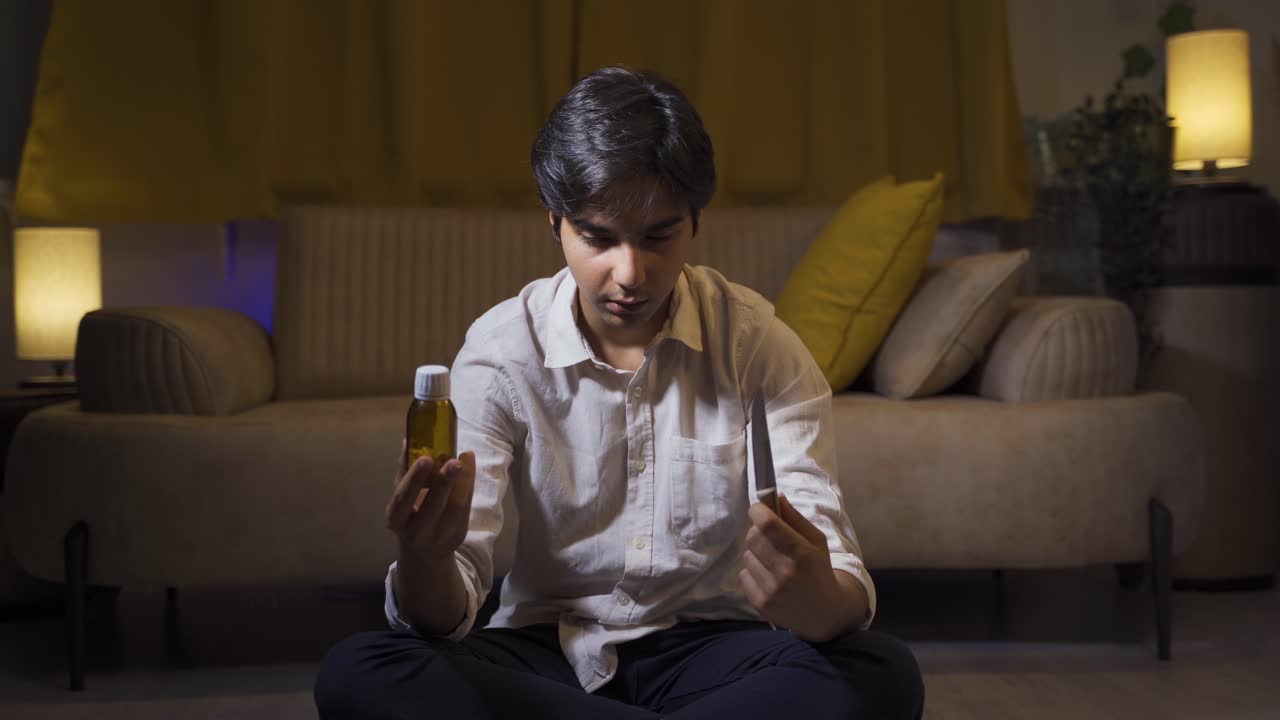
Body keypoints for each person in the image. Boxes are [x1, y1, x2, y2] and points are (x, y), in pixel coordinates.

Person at [315, 66, 924, 720]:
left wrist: (816, 600)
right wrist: (423, 558)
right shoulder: (499, 352)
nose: (629, 274)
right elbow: (440, 614)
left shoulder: (759, 346)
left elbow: (836, 583)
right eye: (599, 238)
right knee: (363, 670)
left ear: (695, 220)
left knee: (880, 671)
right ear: (555, 222)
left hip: (717, 652)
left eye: (658, 236)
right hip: (547, 648)